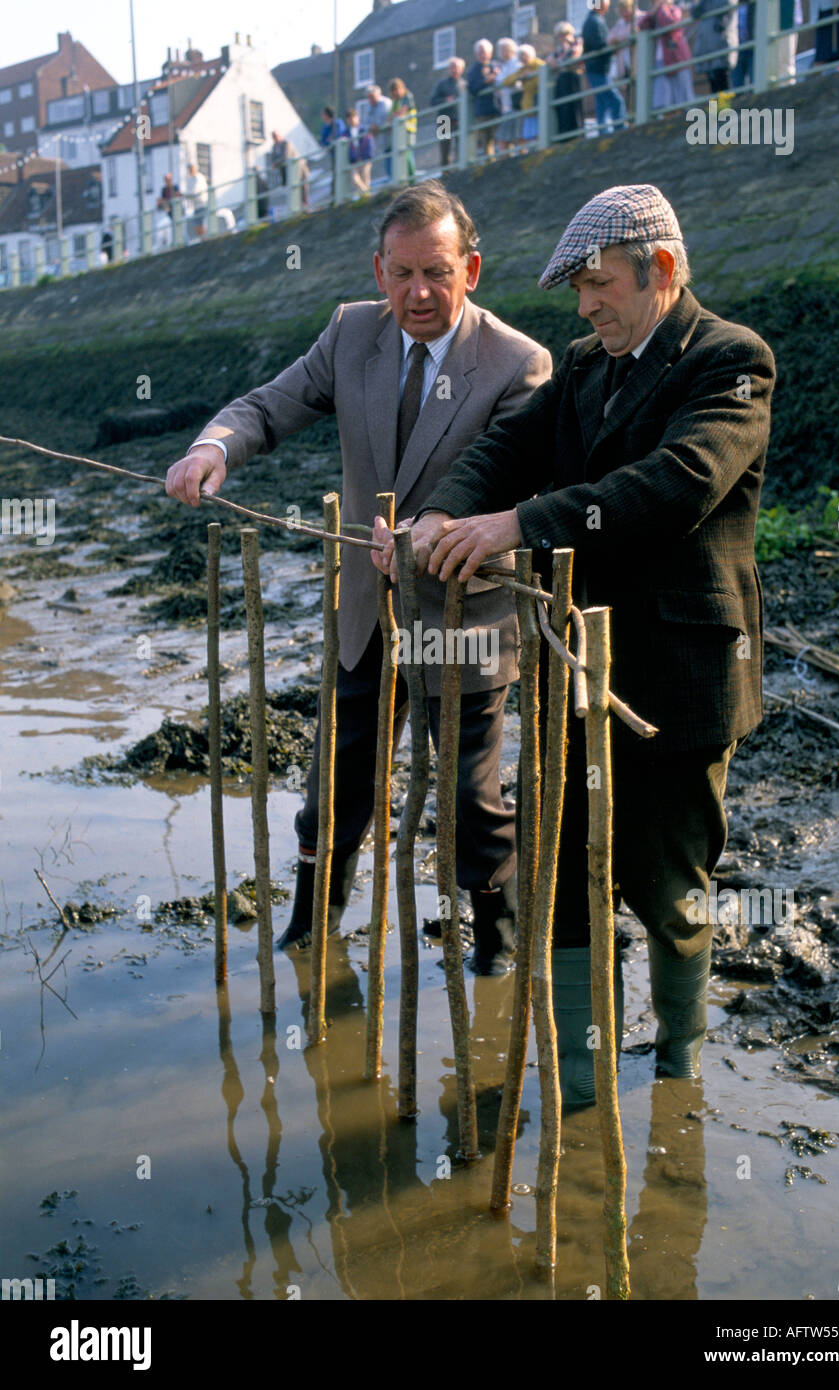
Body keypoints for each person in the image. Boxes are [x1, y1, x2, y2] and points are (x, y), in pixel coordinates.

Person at [380, 183, 775, 1104]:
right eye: (578, 292)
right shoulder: (584, 368)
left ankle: (676, 1069)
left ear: (662, 271)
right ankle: (578, 1082)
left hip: (676, 679)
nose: (588, 304)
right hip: (569, 671)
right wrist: (444, 510)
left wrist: (514, 525)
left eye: (600, 285)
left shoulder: (730, 362)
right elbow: (506, 447)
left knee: (669, 886)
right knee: (557, 880)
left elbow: (673, 485)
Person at [164, 182, 552, 971]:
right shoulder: (348, 334)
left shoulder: (517, 363)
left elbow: (509, 476)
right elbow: (270, 405)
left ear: (470, 269)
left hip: (463, 613)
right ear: (379, 270)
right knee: (334, 783)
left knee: (472, 800)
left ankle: (498, 953)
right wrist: (213, 447)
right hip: (366, 610)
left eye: (437, 273)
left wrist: (431, 531)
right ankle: (310, 935)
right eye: (402, 273)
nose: (418, 292)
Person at [640, 1, 695, 112]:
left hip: (677, 57)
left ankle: (688, 117)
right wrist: (653, 11)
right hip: (661, 59)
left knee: (683, 93)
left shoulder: (674, 10)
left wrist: (662, 8)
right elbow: (642, 25)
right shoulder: (655, 13)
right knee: (663, 97)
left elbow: (669, 23)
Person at [582, 0, 628, 133]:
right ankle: (619, 128)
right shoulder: (595, 21)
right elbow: (598, 45)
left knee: (602, 102)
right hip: (598, 68)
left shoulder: (592, 20)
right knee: (615, 100)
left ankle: (603, 131)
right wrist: (611, 44)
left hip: (596, 67)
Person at [501, 44, 545, 149]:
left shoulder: (539, 65)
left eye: (525, 56)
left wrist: (530, 75)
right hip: (528, 105)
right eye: (521, 57)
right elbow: (506, 81)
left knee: (539, 131)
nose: (523, 59)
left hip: (537, 102)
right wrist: (519, 77)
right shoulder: (523, 69)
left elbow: (540, 82)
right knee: (529, 134)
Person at [547, 21, 585, 138]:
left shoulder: (577, 43)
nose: (562, 37)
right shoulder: (559, 49)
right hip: (562, 79)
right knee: (562, 107)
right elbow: (550, 61)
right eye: (560, 35)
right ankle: (564, 135)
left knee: (574, 107)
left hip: (573, 77)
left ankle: (577, 134)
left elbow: (573, 56)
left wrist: (558, 63)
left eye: (565, 34)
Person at [692, 0, 738, 93]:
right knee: (713, 84)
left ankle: (727, 107)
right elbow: (695, 12)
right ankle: (716, 107)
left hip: (722, 44)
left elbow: (728, 7)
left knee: (724, 81)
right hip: (708, 47)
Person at [466, 39, 499, 160]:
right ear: (476, 54)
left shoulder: (495, 66)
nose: (484, 55)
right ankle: (490, 163)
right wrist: (486, 81)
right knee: (487, 140)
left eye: (485, 52)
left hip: (498, 107)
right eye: (481, 52)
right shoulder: (473, 71)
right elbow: (472, 88)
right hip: (482, 111)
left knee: (501, 136)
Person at [430, 56, 465, 168]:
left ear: (462, 69)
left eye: (457, 67)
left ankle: (460, 170)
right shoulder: (441, 84)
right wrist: (445, 100)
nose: (455, 70)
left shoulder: (464, 84)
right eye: (452, 67)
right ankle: (445, 173)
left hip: (459, 119)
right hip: (443, 119)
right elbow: (432, 101)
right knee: (444, 148)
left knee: (461, 146)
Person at [493, 38, 522, 154]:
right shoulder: (503, 67)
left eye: (506, 50)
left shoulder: (517, 64)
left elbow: (516, 80)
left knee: (518, 135)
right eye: (502, 50)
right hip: (506, 107)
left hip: (516, 105)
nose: (504, 53)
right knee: (503, 138)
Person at [387, 78, 417, 182]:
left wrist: (394, 116)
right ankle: (406, 180)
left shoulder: (407, 97)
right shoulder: (395, 102)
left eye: (397, 89)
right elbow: (390, 117)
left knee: (408, 155)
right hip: (399, 133)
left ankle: (413, 179)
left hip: (408, 129)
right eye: (393, 90)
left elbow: (402, 112)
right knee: (402, 156)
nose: (396, 92)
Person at [365, 85, 393, 180]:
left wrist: (378, 127)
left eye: (372, 97)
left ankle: (395, 181)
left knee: (395, 159)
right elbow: (366, 123)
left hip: (392, 138)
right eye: (368, 98)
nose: (370, 100)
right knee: (388, 160)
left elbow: (389, 119)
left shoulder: (386, 103)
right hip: (382, 142)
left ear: (378, 95)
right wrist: (370, 127)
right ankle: (392, 180)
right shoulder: (369, 107)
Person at [344, 107, 373, 196]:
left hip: (365, 158)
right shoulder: (346, 133)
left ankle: (364, 196)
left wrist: (368, 156)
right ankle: (366, 194)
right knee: (354, 178)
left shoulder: (364, 129)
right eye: (349, 118)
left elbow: (369, 144)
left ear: (357, 117)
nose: (352, 120)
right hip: (354, 160)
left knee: (365, 178)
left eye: (353, 117)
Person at [184, 162, 208, 240]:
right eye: (189, 169)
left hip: (203, 204)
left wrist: (183, 194)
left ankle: (204, 239)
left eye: (191, 168)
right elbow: (189, 193)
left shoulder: (199, 178)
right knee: (197, 224)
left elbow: (194, 192)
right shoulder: (190, 179)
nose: (190, 170)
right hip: (196, 206)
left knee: (201, 224)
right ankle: (202, 239)